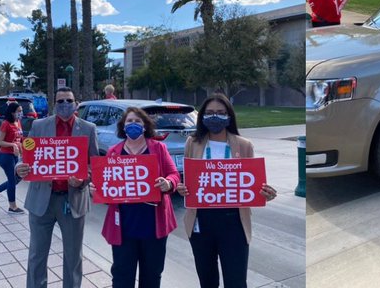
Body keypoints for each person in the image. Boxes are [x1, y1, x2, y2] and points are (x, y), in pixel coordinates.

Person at [177, 93, 277, 288]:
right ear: (202, 116)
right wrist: (183, 188)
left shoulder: (243, 145)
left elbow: (252, 183)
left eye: (221, 113)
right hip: (201, 221)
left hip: (234, 222)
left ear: (229, 116)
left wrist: (266, 193)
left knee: (236, 281)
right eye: (210, 113)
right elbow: (189, 180)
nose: (215, 117)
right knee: (207, 281)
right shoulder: (193, 142)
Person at [18, 86, 96, 288]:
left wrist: (83, 180)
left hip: (73, 201)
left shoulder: (88, 129)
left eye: (69, 101)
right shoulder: (39, 125)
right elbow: (26, 156)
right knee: (37, 255)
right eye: (60, 101)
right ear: (54, 104)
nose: (64, 105)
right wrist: (20, 167)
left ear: (76, 103)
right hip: (42, 199)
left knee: (73, 257)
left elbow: (94, 166)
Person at [101, 106, 179, 288]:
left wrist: (168, 183)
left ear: (145, 126)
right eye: (129, 121)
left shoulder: (159, 148)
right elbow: (107, 184)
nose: (133, 124)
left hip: (153, 224)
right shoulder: (114, 151)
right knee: (121, 277)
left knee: (152, 277)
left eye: (138, 121)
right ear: (123, 126)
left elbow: (174, 174)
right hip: (124, 226)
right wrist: (98, 189)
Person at [0, 101, 26, 213]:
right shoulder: (5, 124)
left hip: (15, 156)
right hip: (5, 155)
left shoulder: (18, 122)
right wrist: (12, 145)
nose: (21, 113)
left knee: (17, 179)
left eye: (21, 111)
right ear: (12, 112)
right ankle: (12, 206)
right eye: (19, 111)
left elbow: (20, 139)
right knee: (12, 180)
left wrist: (23, 151)